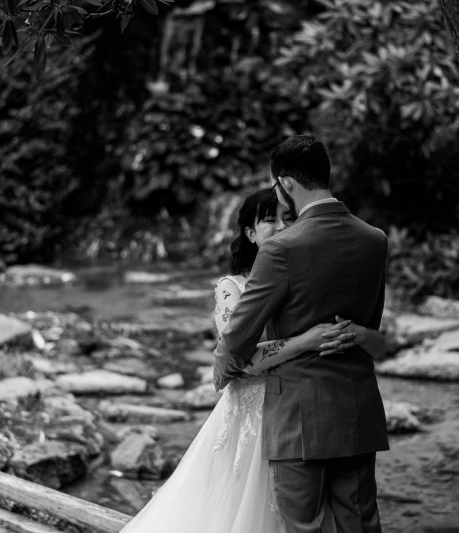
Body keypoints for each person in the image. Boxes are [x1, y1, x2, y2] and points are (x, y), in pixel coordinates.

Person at [120, 187, 386, 533]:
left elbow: (369, 339)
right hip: (251, 412)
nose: (279, 226)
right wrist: (307, 341)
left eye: (286, 218)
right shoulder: (231, 287)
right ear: (250, 233)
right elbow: (241, 360)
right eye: (269, 220)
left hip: (296, 408)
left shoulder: (300, 271)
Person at [214, 135, 390, 533]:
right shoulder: (374, 239)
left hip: (298, 415)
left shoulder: (281, 249)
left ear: (286, 184)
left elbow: (238, 338)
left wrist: (221, 372)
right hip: (357, 409)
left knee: (302, 527)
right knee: (359, 525)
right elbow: (369, 326)